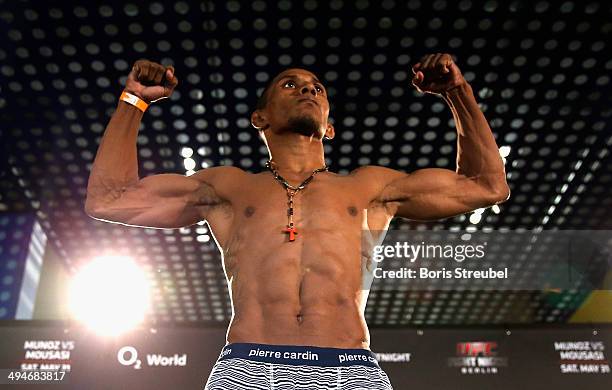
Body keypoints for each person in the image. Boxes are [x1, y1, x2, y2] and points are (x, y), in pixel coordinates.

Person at [85, 53, 509, 389]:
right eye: (289, 84)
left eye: (316, 88)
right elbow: (109, 199)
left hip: (350, 371)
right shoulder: (229, 188)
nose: (307, 90)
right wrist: (134, 100)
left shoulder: (370, 188)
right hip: (249, 369)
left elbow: (487, 185)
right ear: (260, 118)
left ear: (330, 129)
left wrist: (459, 93)